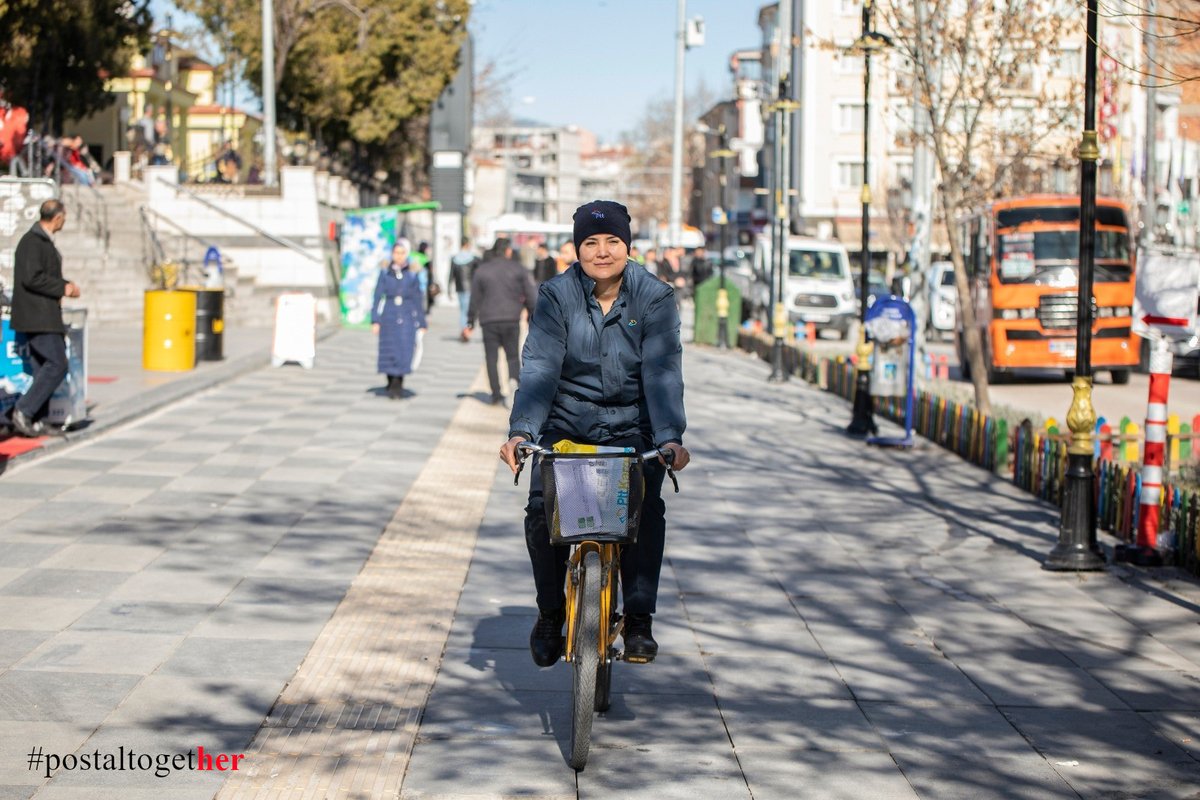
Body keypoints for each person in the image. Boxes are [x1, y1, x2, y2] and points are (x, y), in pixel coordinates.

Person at [498, 200, 691, 668]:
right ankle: (550, 614)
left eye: (612, 242)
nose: (602, 252)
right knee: (543, 512)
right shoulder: (557, 295)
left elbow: (663, 371)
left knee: (645, 513)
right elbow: (541, 365)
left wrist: (668, 437)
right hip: (568, 422)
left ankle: (639, 618)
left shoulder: (655, 297)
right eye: (590, 242)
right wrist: (522, 432)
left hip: (635, 426)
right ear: (577, 248)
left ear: (628, 245)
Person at [8, 200, 79, 437]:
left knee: (42, 368)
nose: (65, 221)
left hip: (42, 314)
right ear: (57, 217)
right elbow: (32, 278)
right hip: (37, 316)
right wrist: (63, 287)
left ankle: (38, 419)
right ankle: (24, 410)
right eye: (64, 216)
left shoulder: (41, 241)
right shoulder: (32, 242)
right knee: (57, 363)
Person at [466, 237, 536, 405]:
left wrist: (470, 321)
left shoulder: (482, 270)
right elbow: (531, 294)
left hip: (488, 319)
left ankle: (496, 394)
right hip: (511, 318)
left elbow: (475, 298)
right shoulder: (518, 269)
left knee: (491, 358)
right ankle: (513, 383)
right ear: (508, 251)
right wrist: (532, 314)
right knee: (512, 356)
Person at [371, 239, 427, 400]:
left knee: (404, 349)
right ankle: (390, 380)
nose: (399, 256)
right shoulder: (385, 272)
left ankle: (398, 384)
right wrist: (375, 320)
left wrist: (422, 322)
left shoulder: (412, 273)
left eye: (402, 253)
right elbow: (377, 296)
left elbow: (417, 298)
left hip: (406, 315)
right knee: (389, 350)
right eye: (396, 253)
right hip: (388, 315)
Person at [450, 237, 480, 339]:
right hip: (471, 288)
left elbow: (451, 275)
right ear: (468, 244)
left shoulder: (454, 258)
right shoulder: (474, 258)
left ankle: (464, 329)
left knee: (463, 309)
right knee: (468, 310)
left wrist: (449, 290)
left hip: (459, 288)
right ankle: (466, 330)